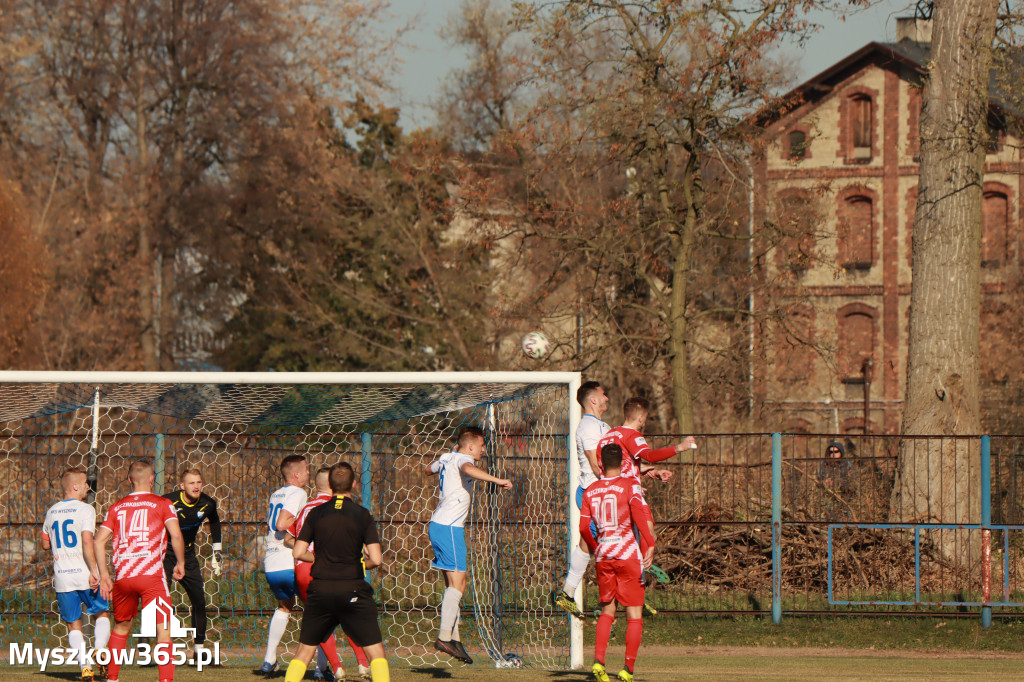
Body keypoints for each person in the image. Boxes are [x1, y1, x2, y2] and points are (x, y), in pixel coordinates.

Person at [285, 463, 390, 682]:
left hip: (320, 589)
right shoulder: (362, 515)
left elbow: (298, 551)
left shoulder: (315, 514)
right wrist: (359, 564)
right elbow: (377, 559)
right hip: (352, 587)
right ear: (354, 484)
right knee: (375, 652)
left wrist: (321, 559)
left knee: (304, 651)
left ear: (330, 485)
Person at [424, 426, 512, 664]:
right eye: (482, 446)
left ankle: (455, 639)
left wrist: (449, 454)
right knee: (459, 584)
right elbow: (468, 469)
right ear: (471, 446)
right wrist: (498, 480)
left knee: (453, 584)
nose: (484, 450)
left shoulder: (447, 457)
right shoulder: (463, 459)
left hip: (437, 525)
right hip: (450, 528)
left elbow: (427, 469)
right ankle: (444, 638)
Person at [94, 460, 186, 682]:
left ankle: (112, 679)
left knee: (121, 628)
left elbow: (98, 542)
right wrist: (180, 562)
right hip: (151, 576)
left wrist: (105, 575)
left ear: (129, 480)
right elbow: (175, 535)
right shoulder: (162, 503)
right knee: (163, 629)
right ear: (153, 479)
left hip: (124, 577)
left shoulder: (116, 507)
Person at [579, 444, 656, 682]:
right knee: (634, 615)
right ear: (623, 463)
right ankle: (627, 670)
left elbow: (583, 527)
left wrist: (595, 546)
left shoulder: (590, 490)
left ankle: (598, 662)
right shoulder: (629, 486)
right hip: (627, 555)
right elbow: (639, 514)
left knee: (607, 612)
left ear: (600, 463)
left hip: (604, 555)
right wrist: (650, 543)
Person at [42, 466, 111, 682]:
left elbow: (45, 544)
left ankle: (85, 668)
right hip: (84, 573)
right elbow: (87, 540)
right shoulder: (85, 509)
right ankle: (100, 649)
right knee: (102, 613)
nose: (88, 487)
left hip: (62, 576)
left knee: (73, 624)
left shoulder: (51, 511)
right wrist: (94, 570)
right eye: (85, 483)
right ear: (74, 486)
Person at [552, 381, 611, 620]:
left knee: (588, 544)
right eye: (603, 394)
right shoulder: (588, 426)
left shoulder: (601, 425)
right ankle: (614, 600)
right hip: (594, 492)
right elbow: (595, 462)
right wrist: (617, 486)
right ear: (593, 400)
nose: (607, 397)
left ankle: (567, 594)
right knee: (609, 543)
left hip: (600, 491)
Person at [162, 467, 222, 660]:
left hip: (187, 556)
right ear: (182, 485)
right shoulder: (167, 501)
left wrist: (217, 551)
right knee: (158, 602)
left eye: (198, 482)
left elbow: (215, 521)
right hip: (165, 555)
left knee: (199, 601)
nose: (196, 486)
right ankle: (148, 649)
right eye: (191, 483)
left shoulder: (208, 503)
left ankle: (198, 651)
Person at [259, 454, 310, 674]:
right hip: (290, 559)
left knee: (284, 607)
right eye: (307, 470)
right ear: (297, 474)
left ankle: (269, 660)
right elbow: (282, 523)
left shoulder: (276, 493)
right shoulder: (298, 492)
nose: (309, 473)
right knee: (319, 612)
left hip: (271, 563)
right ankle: (322, 667)